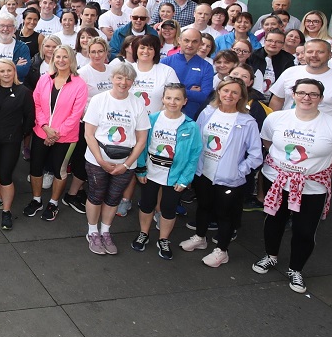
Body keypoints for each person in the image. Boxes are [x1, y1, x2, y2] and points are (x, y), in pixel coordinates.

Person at [255, 78, 332, 294]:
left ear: (321, 98)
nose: (306, 98)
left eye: (313, 94)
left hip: (312, 187)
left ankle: (295, 269)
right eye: (302, 93)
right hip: (277, 181)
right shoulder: (277, 119)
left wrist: (318, 170)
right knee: (274, 221)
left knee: (305, 230)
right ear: (294, 94)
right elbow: (268, 143)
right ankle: (270, 256)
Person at [178, 77, 263, 265]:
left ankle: (222, 250)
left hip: (229, 179)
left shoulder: (247, 121)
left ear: (241, 96)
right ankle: (200, 238)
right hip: (203, 173)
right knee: (203, 207)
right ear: (219, 92)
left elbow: (256, 155)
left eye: (234, 92)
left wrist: (238, 171)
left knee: (225, 214)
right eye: (225, 91)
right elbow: (196, 141)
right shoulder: (208, 112)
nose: (229, 95)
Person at [82, 61, 150, 255]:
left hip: (125, 162)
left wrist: (127, 164)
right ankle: (92, 231)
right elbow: (89, 134)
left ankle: (105, 231)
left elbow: (141, 139)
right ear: (112, 79)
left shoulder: (138, 103)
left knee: (113, 198)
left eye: (128, 79)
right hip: (98, 159)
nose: (123, 82)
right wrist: (100, 160)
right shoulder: (99, 100)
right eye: (119, 77)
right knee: (96, 195)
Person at [130, 84, 202, 259]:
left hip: (175, 177)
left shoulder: (191, 126)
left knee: (169, 209)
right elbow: (141, 144)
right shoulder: (152, 119)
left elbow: (194, 154)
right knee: (146, 205)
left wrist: (185, 179)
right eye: (168, 97)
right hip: (150, 173)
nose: (172, 102)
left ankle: (163, 239)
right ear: (162, 99)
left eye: (177, 98)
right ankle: (144, 233)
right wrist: (140, 169)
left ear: (184, 101)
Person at [24, 44, 89, 221]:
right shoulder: (45, 79)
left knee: (60, 171)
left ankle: (53, 203)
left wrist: (56, 134)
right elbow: (36, 103)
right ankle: (36, 200)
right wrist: (45, 127)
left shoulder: (79, 84)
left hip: (66, 137)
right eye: (57, 57)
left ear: (71, 60)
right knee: (35, 168)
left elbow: (76, 114)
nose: (61, 60)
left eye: (65, 57)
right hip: (41, 132)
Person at [0, 59, 35, 230]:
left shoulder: (23, 92)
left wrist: (18, 134)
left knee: (5, 175)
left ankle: (6, 211)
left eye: (9, 71)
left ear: (14, 72)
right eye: (1, 71)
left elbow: (29, 118)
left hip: (11, 140)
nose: (5, 74)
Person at [269, 40, 332, 130]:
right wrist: (271, 127)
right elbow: (277, 100)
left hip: (323, 135)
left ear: (330, 55)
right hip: (287, 129)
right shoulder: (290, 72)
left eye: (320, 52)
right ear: (304, 54)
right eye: (310, 52)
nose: (314, 55)